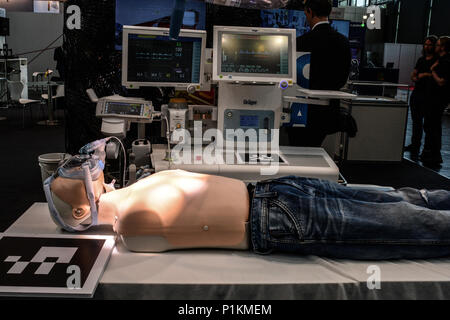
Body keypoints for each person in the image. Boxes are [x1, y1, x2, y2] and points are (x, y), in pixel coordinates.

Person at [44, 148, 450, 261]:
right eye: (84, 178)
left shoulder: (137, 195)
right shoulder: (133, 224)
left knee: (401, 198)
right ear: (82, 211)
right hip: (274, 217)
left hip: (275, 194)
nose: (95, 170)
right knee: (407, 222)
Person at [287, 0, 352, 147]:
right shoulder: (343, 42)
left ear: (310, 12)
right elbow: (342, 80)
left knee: (296, 153)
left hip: (301, 111)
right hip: (328, 113)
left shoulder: (300, 42)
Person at [405, 36, 438, 159]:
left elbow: (418, 76)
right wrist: (422, 75)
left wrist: (421, 75)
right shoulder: (421, 60)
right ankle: (415, 145)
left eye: (430, 45)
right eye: (426, 44)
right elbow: (413, 76)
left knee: (428, 125)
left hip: (429, 95)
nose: (427, 46)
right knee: (416, 123)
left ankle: (427, 149)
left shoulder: (436, 61)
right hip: (417, 94)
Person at [421, 36, 450, 166]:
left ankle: (434, 155)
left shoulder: (446, 62)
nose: (435, 47)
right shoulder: (441, 60)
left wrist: (432, 72)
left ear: (443, 47)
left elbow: (441, 81)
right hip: (433, 98)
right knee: (430, 126)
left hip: (437, 99)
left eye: (438, 45)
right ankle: (430, 153)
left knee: (433, 127)